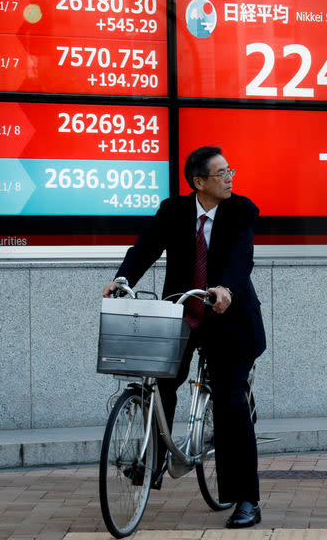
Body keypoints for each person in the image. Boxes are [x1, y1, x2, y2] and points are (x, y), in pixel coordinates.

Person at [102, 146, 266, 528]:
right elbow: (144, 248)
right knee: (162, 382)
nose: (230, 178)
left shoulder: (242, 210)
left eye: (230, 170)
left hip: (230, 318)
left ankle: (246, 499)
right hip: (184, 311)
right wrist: (122, 279)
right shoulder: (173, 210)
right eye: (222, 173)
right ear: (199, 182)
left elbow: (242, 257)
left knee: (229, 401)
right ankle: (153, 461)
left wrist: (225, 287)